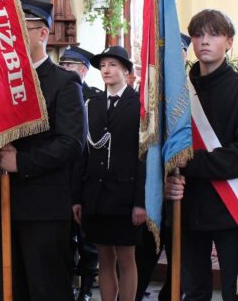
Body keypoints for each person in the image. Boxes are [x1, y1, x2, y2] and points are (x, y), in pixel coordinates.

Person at [0, 0, 86, 301]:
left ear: (42, 34)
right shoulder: (1, 81)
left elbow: (71, 143)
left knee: (47, 289)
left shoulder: (63, 82)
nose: (14, 35)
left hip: (44, 205)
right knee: (10, 287)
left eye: (22, 28)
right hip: (4, 203)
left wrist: (23, 161)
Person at [179, 9, 238, 301]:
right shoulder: (180, 93)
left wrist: (189, 162)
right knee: (193, 291)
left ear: (229, 42)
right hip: (188, 205)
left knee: (236, 293)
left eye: (214, 34)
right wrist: (169, 175)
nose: (204, 41)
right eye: (198, 34)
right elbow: (166, 148)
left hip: (231, 207)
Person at [72, 46, 146, 301]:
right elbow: (84, 153)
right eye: (103, 65)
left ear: (126, 70)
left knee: (126, 259)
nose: (106, 70)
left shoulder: (138, 105)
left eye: (113, 65)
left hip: (125, 195)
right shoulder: (91, 104)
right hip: (96, 195)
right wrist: (78, 197)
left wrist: (140, 202)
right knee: (104, 258)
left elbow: (142, 157)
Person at [135, 33, 190, 301]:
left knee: (181, 268)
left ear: (185, 55)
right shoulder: (144, 96)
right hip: (150, 192)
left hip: (185, 194)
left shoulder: (194, 95)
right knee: (143, 259)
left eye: (175, 51)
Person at [59, 45, 101, 301]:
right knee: (63, 239)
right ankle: (66, 285)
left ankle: (86, 288)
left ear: (83, 70)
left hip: (84, 174)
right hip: (62, 177)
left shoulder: (94, 99)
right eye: (62, 65)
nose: (64, 69)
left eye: (70, 66)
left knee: (87, 240)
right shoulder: (57, 93)